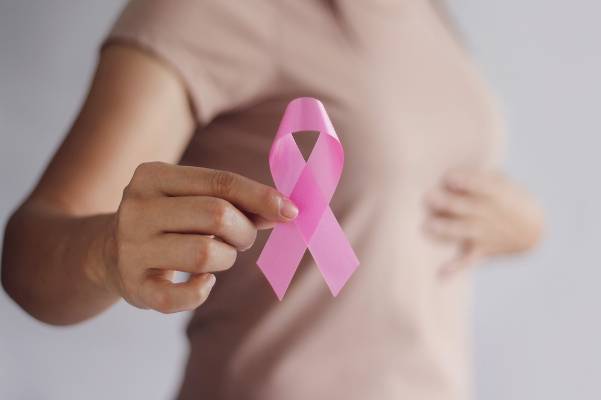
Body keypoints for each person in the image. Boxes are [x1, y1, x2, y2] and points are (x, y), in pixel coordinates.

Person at [1, 1, 543, 399]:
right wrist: (105, 256)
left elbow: (396, 191)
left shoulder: (432, 16)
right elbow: (31, 255)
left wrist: (523, 228)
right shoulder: (214, 10)